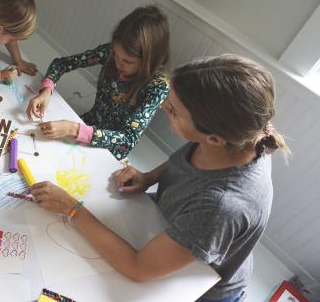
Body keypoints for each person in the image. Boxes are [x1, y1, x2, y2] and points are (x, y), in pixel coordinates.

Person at [31, 54, 290, 302]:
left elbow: (138, 268)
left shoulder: (223, 205)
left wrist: (72, 209)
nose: (164, 106)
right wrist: (149, 177)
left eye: (174, 111)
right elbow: (188, 161)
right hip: (175, 225)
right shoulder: (233, 141)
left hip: (201, 284)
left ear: (214, 138)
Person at [27, 5, 170, 161]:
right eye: (116, 55)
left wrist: (73, 129)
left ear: (149, 61)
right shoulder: (110, 52)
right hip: (87, 123)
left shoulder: (158, 86)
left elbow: (128, 138)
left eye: (128, 61)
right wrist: (46, 91)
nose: (118, 63)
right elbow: (62, 64)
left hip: (110, 149)